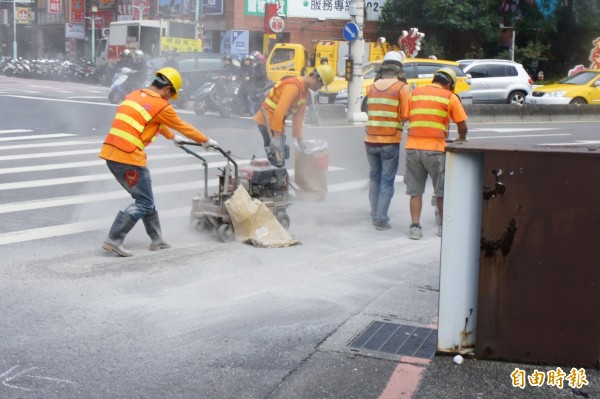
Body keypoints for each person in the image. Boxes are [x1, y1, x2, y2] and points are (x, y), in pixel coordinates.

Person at [99, 67, 218, 257]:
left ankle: (157, 239)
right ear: (167, 89)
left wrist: (172, 137)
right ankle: (114, 239)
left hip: (111, 153)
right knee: (144, 201)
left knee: (146, 199)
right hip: (128, 156)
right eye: (170, 95)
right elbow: (184, 126)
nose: (169, 99)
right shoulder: (161, 105)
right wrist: (206, 141)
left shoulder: (134, 95)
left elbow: (154, 121)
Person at [404, 67, 468, 240]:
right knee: (441, 191)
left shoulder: (415, 93)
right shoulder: (450, 97)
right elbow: (462, 124)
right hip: (435, 149)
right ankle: (442, 227)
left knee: (415, 191)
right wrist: (462, 137)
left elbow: (405, 116)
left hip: (412, 147)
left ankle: (415, 227)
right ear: (449, 84)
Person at [253, 64, 334, 167]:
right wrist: (277, 137)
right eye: (321, 84)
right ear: (314, 78)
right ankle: (275, 176)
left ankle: (277, 174)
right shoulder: (294, 86)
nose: (319, 88)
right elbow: (280, 110)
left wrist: (300, 139)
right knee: (277, 156)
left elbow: (298, 117)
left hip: (276, 122)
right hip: (267, 120)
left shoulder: (303, 91)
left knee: (281, 154)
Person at [364, 51, 410, 231]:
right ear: (399, 68)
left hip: (370, 139)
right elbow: (405, 115)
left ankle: (374, 212)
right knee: (386, 180)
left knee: (374, 177)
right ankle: (380, 219)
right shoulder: (401, 88)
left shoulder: (372, 86)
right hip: (389, 139)